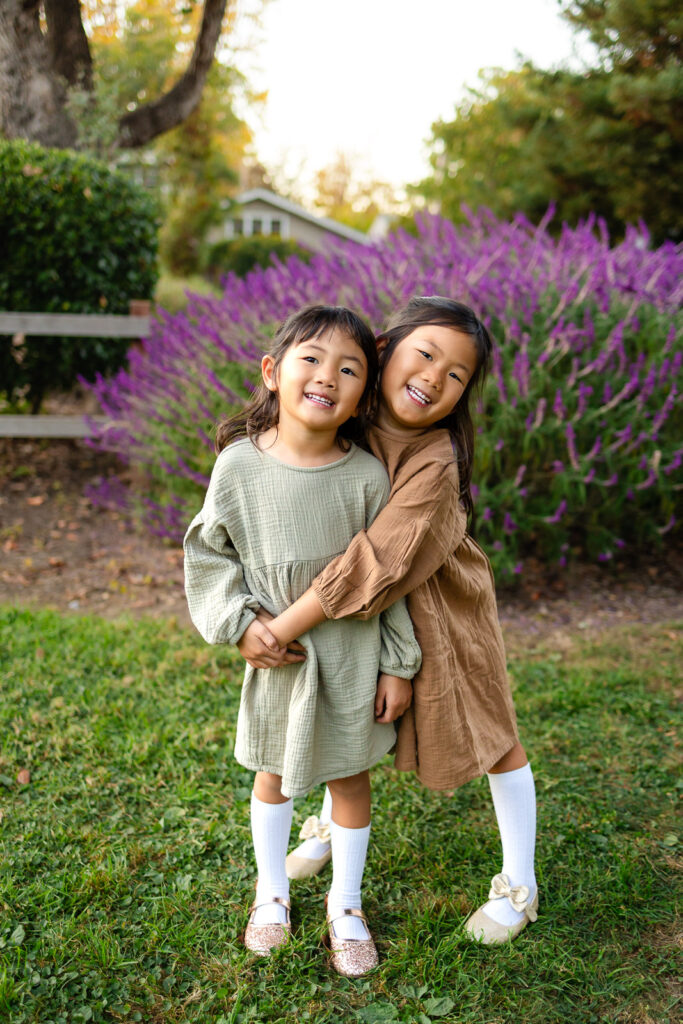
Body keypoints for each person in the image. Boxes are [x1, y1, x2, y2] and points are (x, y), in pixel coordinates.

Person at [249, 295, 539, 946]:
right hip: (345, 614)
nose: (436, 377)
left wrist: (281, 627)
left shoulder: (434, 458)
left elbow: (377, 562)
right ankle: (329, 821)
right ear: (383, 351)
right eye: (426, 354)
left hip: (437, 606)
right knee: (335, 706)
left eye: (457, 374)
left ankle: (518, 883)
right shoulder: (346, 408)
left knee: (491, 732)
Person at [183, 304, 421, 975]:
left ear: (359, 399)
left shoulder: (366, 478)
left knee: (348, 776)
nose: (327, 376)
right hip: (278, 656)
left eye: (349, 370)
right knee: (274, 774)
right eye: (311, 359)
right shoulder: (238, 468)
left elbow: (387, 579)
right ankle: (272, 893)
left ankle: (345, 905)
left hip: (352, 654)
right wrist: (239, 624)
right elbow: (208, 555)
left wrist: (398, 663)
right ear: (272, 371)